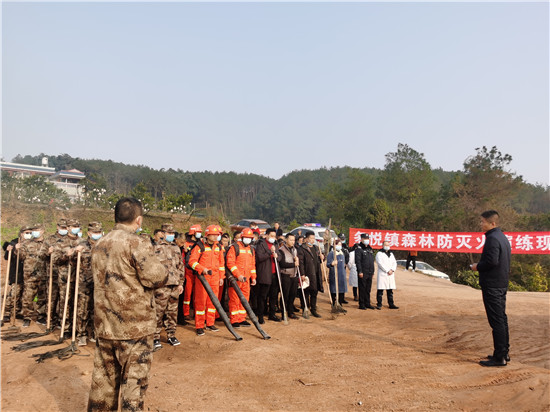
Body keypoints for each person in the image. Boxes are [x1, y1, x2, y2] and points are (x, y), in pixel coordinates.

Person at [88, 197, 167, 412]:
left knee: (102, 385)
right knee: (134, 385)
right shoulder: (136, 243)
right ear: (138, 220)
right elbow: (157, 277)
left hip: (105, 325)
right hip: (135, 328)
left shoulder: (99, 244)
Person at [471, 210, 511, 367]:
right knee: (501, 318)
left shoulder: (493, 239)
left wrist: (477, 266)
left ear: (492, 223)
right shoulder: (501, 237)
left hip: (493, 285)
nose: (481, 224)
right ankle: (503, 352)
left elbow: (492, 261)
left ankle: (499, 358)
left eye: (483, 222)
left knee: (496, 321)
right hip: (500, 284)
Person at [188, 225, 225, 336]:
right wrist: (202, 269)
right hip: (203, 279)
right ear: (207, 235)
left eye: (216, 235)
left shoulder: (218, 246)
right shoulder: (199, 246)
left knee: (213, 302)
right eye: (213, 235)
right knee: (200, 302)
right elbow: (192, 262)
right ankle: (199, 325)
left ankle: (210, 323)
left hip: (215, 278)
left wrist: (221, 277)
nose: (215, 237)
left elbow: (221, 264)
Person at [153, 223, 185, 350]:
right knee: (158, 312)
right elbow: (152, 268)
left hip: (174, 285)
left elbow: (180, 267)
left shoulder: (176, 248)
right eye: (169, 233)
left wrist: (181, 283)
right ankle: (155, 337)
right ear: (163, 234)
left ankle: (171, 335)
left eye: (173, 233)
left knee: (172, 312)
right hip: (161, 286)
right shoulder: (155, 248)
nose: (171, 235)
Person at [74, 221, 103, 346]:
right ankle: (81, 334)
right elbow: (70, 262)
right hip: (84, 283)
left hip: (100, 284)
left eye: (99, 232)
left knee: (97, 310)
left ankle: (95, 334)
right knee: (82, 310)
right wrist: (75, 253)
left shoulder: (104, 245)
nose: (97, 234)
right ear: (89, 233)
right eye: (94, 232)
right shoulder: (81, 245)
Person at [17, 224, 47, 327]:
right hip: (29, 275)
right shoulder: (26, 244)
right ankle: (27, 317)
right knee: (28, 296)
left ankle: (41, 316)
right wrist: (18, 250)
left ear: (42, 231)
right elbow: (21, 257)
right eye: (33, 230)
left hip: (44, 274)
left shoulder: (47, 244)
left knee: (43, 297)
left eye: (37, 230)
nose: (35, 232)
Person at [225, 228, 256, 328]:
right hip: (236, 280)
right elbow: (230, 263)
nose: (248, 239)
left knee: (245, 299)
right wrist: (238, 275)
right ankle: (234, 320)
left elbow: (252, 265)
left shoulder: (251, 249)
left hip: (246, 280)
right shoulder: (234, 247)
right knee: (234, 299)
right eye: (246, 237)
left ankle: (242, 318)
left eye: (250, 238)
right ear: (242, 237)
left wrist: (253, 277)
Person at [2, 226, 30, 325]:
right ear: (21, 233)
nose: (28, 234)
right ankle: (6, 313)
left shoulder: (31, 244)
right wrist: (12, 250)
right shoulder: (14, 242)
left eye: (30, 232)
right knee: (14, 294)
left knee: (25, 295)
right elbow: (6, 257)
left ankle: (19, 312)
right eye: (26, 232)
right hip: (16, 273)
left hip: (28, 274)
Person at [254, 228, 280, 324]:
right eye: (271, 236)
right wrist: (270, 252)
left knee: (273, 296)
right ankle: (260, 315)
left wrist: (277, 256)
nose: (273, 238)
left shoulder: (275, 244)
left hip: (274, 274)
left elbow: (279, 256)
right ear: (266, 235)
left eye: (274, 236)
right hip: (265, 274)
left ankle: (272, 314)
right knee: (262, 296)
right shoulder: (261, 244)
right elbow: (259, 258)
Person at [298, 231, 324, 318]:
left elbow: (318, 261)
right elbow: (301, 263)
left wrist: (322, 258)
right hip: (307, 273)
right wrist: (302, 274)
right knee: (305, 292)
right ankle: (305, 308)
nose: (313, 240)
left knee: (314, 292)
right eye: (311, 238)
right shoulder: (302, 249)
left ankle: (313, 309)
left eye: (313, 238)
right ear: (306, 239)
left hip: (316, 273)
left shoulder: (316, 248)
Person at [277, 233, 299, 319]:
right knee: (285, 295)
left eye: (293, 240)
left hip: (294, 275)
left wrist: (296, 261)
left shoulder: (294, 250)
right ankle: (284, 312)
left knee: (292, 294)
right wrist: (294, 264)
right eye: (291, 240)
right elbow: (282, 264)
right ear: (286, 240)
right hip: (285, 275)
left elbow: (296, 263)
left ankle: (290, 311)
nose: (293, 242)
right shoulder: (281, 250)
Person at [182, 224, 202, 322]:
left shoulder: (200, 243)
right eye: (198, 232)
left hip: (197, 272)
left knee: (197, 294)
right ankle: (186, 313)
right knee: (187, 293)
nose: (199, 234)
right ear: (193, 233)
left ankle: (196, 312)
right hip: (188, 271)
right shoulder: (186, 243)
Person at [375, 240, 398, 310]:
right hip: (383, 274)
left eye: (388, 245)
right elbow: (380, 263)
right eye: (385, 245)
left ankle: (391, 304)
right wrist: (387, 270)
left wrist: (392, 270)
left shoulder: (391, 254)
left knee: (390, 291)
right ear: (382, 246)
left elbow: (395, 262)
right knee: (380, 290)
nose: (387, 246)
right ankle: (379, 304)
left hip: (390, 274)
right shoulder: (379, 253)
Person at [355, 234, 376, 310]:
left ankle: (367, 303)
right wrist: (360, 271)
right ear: (362, 239)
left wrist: (373, 271)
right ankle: (361, 304)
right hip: (363, 272)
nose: (367, 240)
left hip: (369, 272)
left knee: (368, 289)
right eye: (365, 238)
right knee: (362, 288)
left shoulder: (370, 249)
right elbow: (358, 261)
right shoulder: (359, 249)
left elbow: (372, 261)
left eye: (368, 238)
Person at [327, 238, 347, 307]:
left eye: (340, 244)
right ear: (334, 245)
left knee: (341, 291)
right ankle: (334, 305)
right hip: (334, 275)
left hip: (342, 275)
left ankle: (340, 305)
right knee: (334, 290)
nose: (340, 246)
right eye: (338, 244)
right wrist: (332, 264)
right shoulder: (331, 253)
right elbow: (328, 264)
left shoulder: (342, 253)